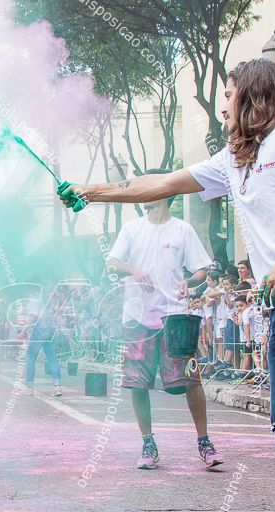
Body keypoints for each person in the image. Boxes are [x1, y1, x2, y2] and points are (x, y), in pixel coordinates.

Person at [59, 59, 275, 512]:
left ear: (254, 96)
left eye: (229, 92)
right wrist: (91, 191)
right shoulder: (233, 161)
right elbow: (159, 183)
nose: (222, 102)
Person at [103, 170, 220, 470]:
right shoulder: (131, 229)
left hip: (174, 317)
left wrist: (190, 283)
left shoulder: (183, 230)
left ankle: (204, 442)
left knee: (192, 380)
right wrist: (133, 271)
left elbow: (200, 271)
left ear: (167, 193)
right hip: (137, 319)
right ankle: (148, 444)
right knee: (138, 383)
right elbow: (112, 265)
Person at [18, 284, 62, 397]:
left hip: (41, 325)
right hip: (51, 326)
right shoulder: (45, 296)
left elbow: (33, 315)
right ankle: (57, 386)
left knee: (31, 356)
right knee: (52, 356)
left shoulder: (34, 295)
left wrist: (23, 330)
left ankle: (29, 387)